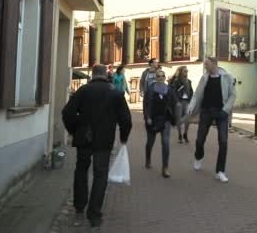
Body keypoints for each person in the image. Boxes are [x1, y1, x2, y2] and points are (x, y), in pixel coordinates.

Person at [62, 64, 132, 230]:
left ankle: (79, 208)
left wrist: (74, 130)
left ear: (92, 75)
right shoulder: (115, 92)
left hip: (83, 140)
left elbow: (67, 113)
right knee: (100, 175)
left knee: (81, 171)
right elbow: (126, 120)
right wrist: (123, 138)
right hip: (104, 141)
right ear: (105, 75)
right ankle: (94, 215)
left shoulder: (83, 91)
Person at [188, 57, 236, 183]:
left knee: (223, 142)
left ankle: (220, 171)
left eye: (207, 64)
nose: (205, 66)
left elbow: (233, 95)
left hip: (222, 112)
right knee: (200, 140)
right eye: (204, 64)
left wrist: (225, 110)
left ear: (214, 64)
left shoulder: (227, 77)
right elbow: (197, 94)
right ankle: (199, 156)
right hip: (206, 111)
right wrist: (191, 106)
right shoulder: (204, 78)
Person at [144, 69, 180, 178]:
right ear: (156, 78)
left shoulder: (169, 89)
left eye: (162, 76)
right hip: (153, 119)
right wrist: (148, 117)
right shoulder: (150, 90)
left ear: (165, 78)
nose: (160, 78)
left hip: (166, 119)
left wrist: (178, 107)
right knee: (150, 142)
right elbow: (146, 105)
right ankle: (148, 158)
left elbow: (175, 101)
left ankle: (165, 167)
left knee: (165, 142)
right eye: (158, 76)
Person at [169, 66, 193, 144]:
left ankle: (185, 134)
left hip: (187, 101)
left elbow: (191, 91)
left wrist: (191, 101)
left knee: (187, 117)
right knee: (178, 118)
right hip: (179, 101)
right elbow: (173, 93)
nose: (186, 72)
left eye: (187, 71)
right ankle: (180, 135)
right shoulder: (176, 81)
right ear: (181, 72)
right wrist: (177, 101)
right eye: (185, 71)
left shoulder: (189, 81)